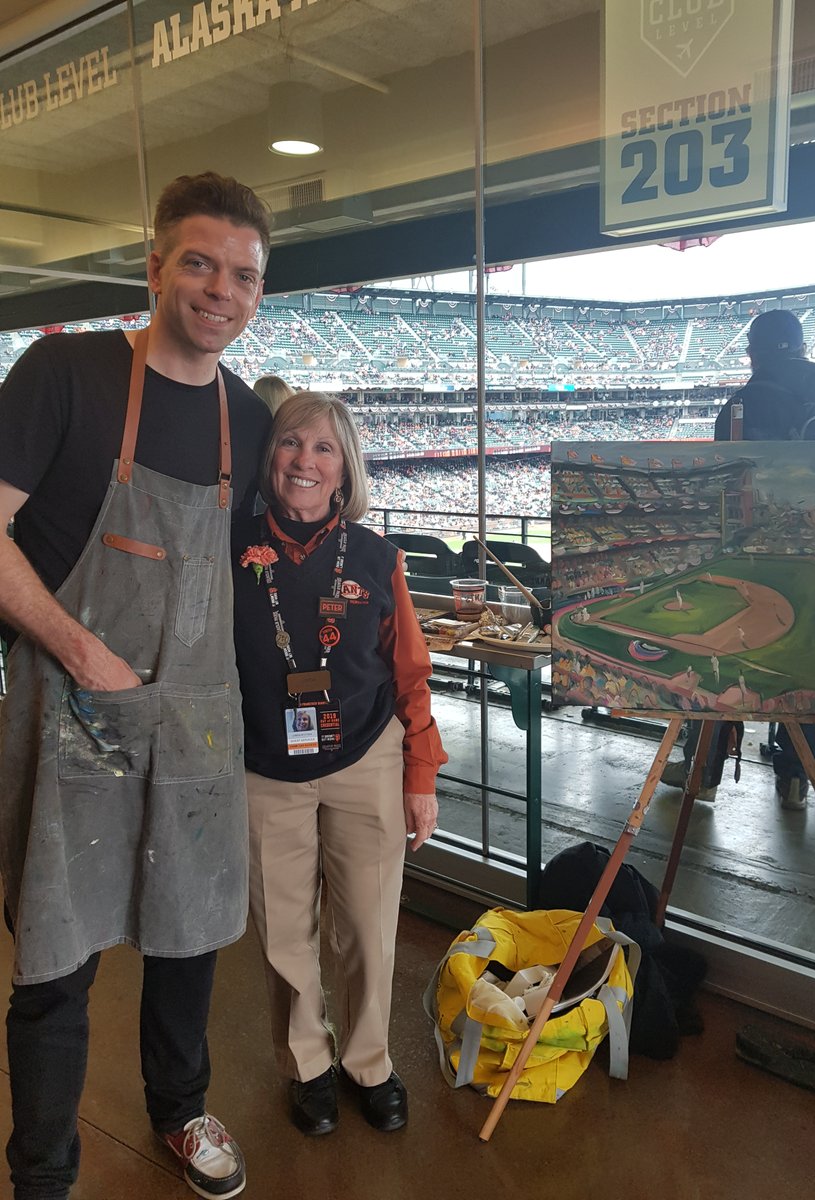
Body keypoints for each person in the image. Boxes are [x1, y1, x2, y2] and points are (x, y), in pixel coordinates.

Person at [0, 172, 273, 1200]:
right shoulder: (63, 376)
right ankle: (43, 1171)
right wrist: (81, 651)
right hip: (72, 711)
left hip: (194, 726)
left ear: (258, 292)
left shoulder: (246, 425)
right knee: (56, 965)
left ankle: (181, 1108)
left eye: (242, 274)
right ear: (154, 266)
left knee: (190, 932)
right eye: (198, 263)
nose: (219, 289)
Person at [232, 391, 447, 1139]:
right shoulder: (233, 547)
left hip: (365, 757)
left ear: (344, 467)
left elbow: (411, 673)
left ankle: (369, 1063)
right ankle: (307, 1066)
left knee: (367, 923)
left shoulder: (378, 556)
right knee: (283, 931)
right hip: (264, 764)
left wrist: (419, 778)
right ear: (271, 456)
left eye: (324, 448)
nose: (305, 462)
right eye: (292, 444)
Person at [672, 309, 815, 810]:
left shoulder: (748, 402)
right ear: (803, 348)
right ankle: (796, 775)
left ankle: (706, 769)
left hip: (758, 552)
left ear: (753, 352)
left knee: (723, 661)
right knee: (810, 664)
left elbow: (725, 484)